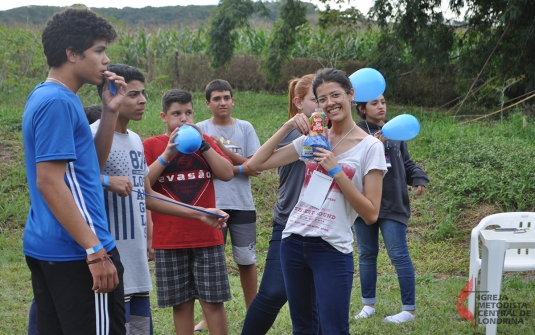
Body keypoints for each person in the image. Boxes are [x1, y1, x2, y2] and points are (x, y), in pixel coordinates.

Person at [248, 68, 387, 334]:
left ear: (351, 95)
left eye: (335, 95)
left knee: (334, 328)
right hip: (294, 241)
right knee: (303, 328)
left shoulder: (371, 147)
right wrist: (288, 126)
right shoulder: (314, 139)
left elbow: (370, 214)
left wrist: (336, 171)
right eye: (322, 99)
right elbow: (256, 163)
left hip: (332, 248)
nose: (329, 103)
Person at [21, 8, 128, 334]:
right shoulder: (59, 102)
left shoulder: (47, 95)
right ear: (71, 53)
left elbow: (85, 170)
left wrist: (110, 114)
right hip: (78, 251)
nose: (106, 60)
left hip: (52, 247)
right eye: (98, 50)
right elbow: (50, 182)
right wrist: (94, 251)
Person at [143, 89, 234, 335]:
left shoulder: (206, 144)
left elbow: (226, 173)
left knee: (213, 302)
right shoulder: (152, 146)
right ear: (164, 116)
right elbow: (145, 186)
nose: (183, 119)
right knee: (181, 304)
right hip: (170, 239)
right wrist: (167, 154)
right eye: (176, 114)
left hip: (207, 235)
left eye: (188, 113)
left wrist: (204, 145)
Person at [241, 74, 319, 334]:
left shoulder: (337, 133)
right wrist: (287, 127)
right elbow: (254, 164)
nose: (323, 104)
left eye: (329, 97)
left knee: (315, 302)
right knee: (274, 292)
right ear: (299, 103)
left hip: (324, 226)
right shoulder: (297, 134)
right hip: (289, 223)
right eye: (315, 100)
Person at [353, 95, 429, 323]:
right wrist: (374, 143)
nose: (381, 106)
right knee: (366, 255)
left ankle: (409, 310)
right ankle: (368, 305)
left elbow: (405, 162)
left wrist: (417, 177)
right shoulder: (354, 132)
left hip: (393, 203)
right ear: (361, 108)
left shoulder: (395, 132)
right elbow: (352, 162)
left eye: (383, 102)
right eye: (374, 103)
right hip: (363, 202)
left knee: (399, 254)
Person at [196, 79, 261, 331]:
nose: (222, 102)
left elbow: (255, 165)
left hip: (243, 205)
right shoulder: (199, 129)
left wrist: (220, 149)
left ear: (233, 100)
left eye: (226, 97)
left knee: (247, 260)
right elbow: (203, 168)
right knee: (211, 263)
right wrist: (240, 168)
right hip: (211, 207)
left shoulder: (245, 128)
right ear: (207, 103)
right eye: (216, 98)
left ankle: (253, 312)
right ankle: (206, 316)